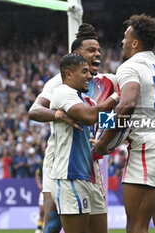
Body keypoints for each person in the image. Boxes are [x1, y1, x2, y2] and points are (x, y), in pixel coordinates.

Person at [28, 23, 155, 233]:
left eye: (99, 50)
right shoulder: (60, 83)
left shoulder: (110, 81)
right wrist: (59, 115)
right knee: (53, 224)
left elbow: (143, 86)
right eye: (91, 50)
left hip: (92, 164)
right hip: (61, 162)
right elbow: (34, 110)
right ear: (76, 55)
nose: (98, 54)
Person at [93, 14, 155, 233]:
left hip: (149, 148)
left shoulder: (129, 67)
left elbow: (127, 105)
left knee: (137, 226)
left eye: (125, 38)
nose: (122, 42)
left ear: (135, 43)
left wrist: (103, 143)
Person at [49, 53, 117, 233]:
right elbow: (89, 117)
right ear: (69, 74)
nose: (90, 76)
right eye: (84, 71)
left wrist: (106, 140)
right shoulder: (63, 93)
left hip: (90, 175)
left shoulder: (89, 100)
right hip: (71, 174)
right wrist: (117, 96)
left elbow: (110, 124)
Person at [35, 160, 44, 233]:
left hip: (56, 189)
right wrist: (39, 184)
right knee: (42, 212)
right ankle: (39, 228)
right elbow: (37, 173)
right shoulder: (43, 162)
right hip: (45, 190)